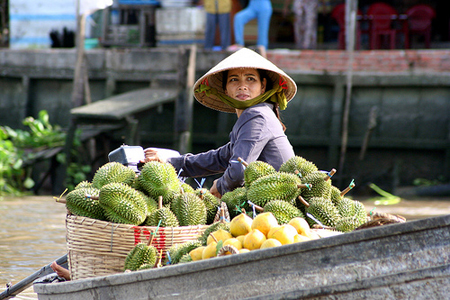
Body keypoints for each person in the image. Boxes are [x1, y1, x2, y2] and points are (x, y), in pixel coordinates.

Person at [144, 48, 297, 198]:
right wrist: (169, 162)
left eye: (251, 79)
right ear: (225, 89)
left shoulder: (257, 116)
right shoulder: (255, 115)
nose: (242, 86)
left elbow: (238, 172)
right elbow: (218, 158)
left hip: (277, 203)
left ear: (263, 86)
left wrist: (220, 184)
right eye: (234, 80)